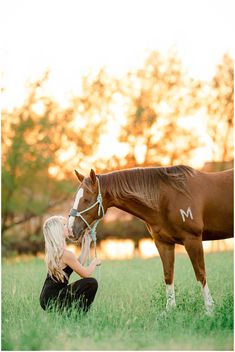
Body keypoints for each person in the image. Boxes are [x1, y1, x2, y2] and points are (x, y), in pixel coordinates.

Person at [39, 215, 101, 312]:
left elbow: (78, 264)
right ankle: (79, 315)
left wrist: (87, 243)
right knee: (91, 282)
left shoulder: (57, 253)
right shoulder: (65, 254)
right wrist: (94, 262)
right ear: (57, 231)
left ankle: (71, 315)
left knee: (88, 283)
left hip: (46, 297)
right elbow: (85, 274)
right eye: (64, 225)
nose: (68, 227)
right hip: (54, 297)